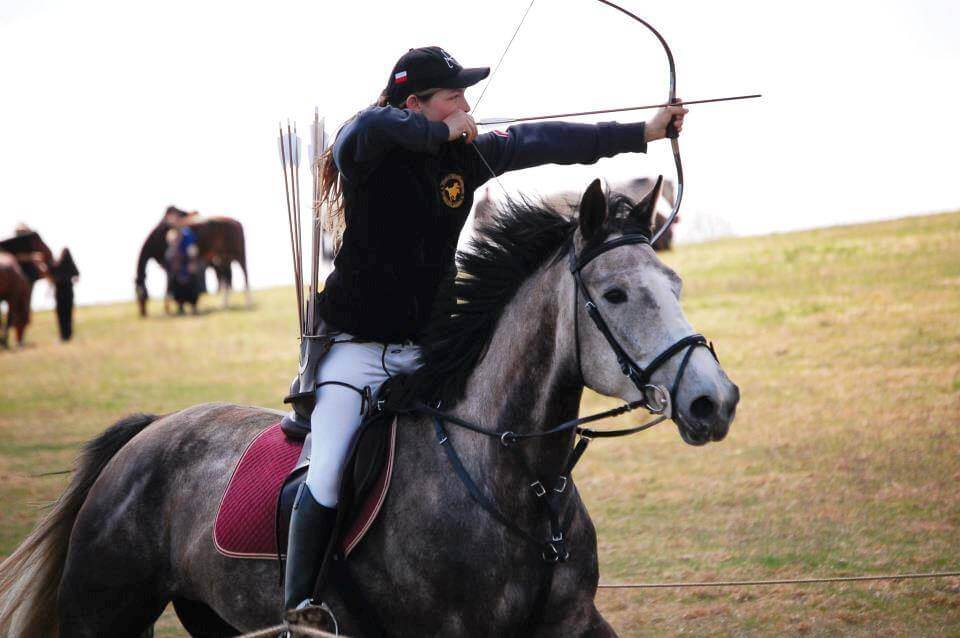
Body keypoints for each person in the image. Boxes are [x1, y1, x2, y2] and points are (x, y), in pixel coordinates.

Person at [282, 45, 687, 613]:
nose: (466, 108)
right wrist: (440, 133)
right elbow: (364, 128)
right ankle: (299, 611)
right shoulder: (368, 149)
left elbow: (543, 140)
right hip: (355, 352)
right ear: (414, 103)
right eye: (454, 97)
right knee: (325, 473)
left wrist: (643, 131)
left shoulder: (464, 158)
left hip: (429, 351)